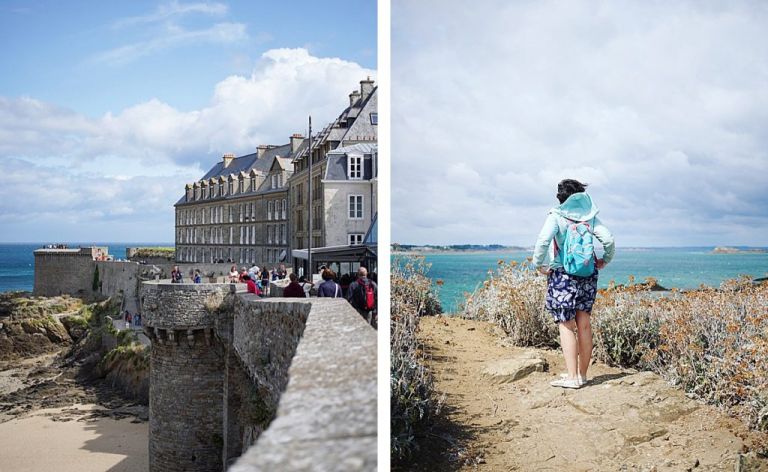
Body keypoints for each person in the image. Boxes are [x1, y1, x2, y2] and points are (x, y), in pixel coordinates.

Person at [532, 179, 615, 389]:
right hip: (588, 273)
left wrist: (539, 265)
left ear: (560, 197)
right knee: (584, 324)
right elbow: (609, 240)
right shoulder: (591, 216)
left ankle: (572, 378)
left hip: (562, 274)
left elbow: (543, 241)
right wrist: (605, 259)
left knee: (566, 324)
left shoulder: (557, 216)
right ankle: (583, 375)